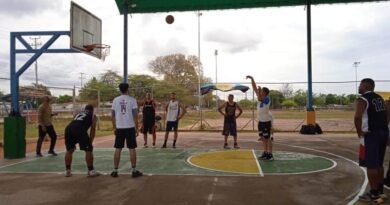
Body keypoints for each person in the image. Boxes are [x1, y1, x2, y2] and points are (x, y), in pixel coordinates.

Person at [354, 78, 389, 202]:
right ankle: (379, 190)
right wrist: (384, 126)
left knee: (371, 165)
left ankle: (373, 193)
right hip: (383, 132)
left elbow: (357, 117)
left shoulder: (362, 99)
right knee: (379, 164)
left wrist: (359, 132)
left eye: (361, 85)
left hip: (371, 135)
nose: (359, 87)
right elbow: (387, 112)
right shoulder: (379, 98)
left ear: (366, 86)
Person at [110, 83, 143, 178]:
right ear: (128, 89)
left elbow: (112, 115)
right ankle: (134, 171)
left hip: (119, 128)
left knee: (118, 149)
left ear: (120, 90)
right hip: (129, 127)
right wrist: (136, 128)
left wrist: (114, 127)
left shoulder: (115, 100)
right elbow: (135, 116)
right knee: (132, 149)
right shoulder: (132, 100)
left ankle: (115, 171)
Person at [64, 104, 100, 177]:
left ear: (85, 109)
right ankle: (91, 171)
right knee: (88, 150)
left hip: (68, 129)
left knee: (69, 150)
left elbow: (74, 121)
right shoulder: (93, 115)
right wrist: (90, 142)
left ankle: (67, 171)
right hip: (79, 129)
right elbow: (93, 129)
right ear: (92, 110)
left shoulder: (78, 113)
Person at [246, 75, 274, 160]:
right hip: (261, 121)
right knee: (262, 137)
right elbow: (254, 88)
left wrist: (258, 91)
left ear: (265, 93)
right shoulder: (260, 97)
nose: (260, 92)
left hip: (266, 121)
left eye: (262, 91)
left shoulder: (267, 99)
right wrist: (252, 79)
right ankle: (265, 152)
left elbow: (260, 97)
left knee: (267, 138)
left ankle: (270, 154)